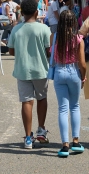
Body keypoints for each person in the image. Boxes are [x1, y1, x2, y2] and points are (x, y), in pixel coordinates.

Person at [8, 0, 50, 149]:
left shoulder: (16, 29)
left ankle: (27, 137)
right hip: (40, 69)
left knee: (26, 101)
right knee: (42, 98)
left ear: (22, 13)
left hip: (22, 69)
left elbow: (11, 50)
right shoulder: (44, 29)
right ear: (37, 12)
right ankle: (41, 129)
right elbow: (48, 50)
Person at [52, 10, 86, 157]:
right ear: (74, 23)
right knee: (75, 106)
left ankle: (64, 145)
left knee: (62, 109)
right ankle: (76, 141)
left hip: (60, 71)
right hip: (73, 72)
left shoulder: (55, 37)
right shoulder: (78, 38)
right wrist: (83, 78)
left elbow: (51, 55)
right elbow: (82, 63)